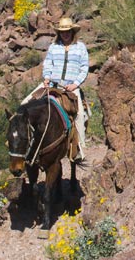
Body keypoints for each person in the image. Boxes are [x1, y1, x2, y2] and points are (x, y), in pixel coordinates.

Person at [24, 17, 90, 162]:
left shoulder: (80, 47)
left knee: (79, 114)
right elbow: (48, 63)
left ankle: (78, 148)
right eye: (62, 32)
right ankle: (25, 145)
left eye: (67, 32)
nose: (65, 34)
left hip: (70, 87)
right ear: (59, 33)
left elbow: (84, 67)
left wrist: (75, 84)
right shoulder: (54, 47)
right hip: (52, 84)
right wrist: (46, 77)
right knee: (26, 104)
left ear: (72, 32)